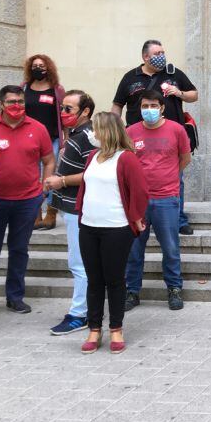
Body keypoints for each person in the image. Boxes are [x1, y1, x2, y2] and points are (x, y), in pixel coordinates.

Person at [0, 85, 54, 319]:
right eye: (11, 102)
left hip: (27, 201)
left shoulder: (38, 128)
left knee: (19, 250)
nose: (16, 106)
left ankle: (15, 297)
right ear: (0, 104)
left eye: (20, 102)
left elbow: (48, 160)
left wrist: (43, 187)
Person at [76, 113, 149, 355]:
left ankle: (116, 328)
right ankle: (94, 328)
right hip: (89, 225)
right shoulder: (92, 157)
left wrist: (137, 217)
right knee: (94, 280)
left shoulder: (126, 158)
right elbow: (85, 188)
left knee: (114, 279)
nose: (91, 134)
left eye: (94, 129)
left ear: (106, 131)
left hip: (116, 227)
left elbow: (140, 191)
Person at [112, 39, 198, 236]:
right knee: (136, 178)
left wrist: (180, 93)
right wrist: (115, 130)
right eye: (157, 53)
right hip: (137, 137)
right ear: (145, 57)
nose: (161, 56)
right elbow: (117, 105)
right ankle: (139, 215)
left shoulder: (173, 73)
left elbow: (194, 95)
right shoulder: (130, 78)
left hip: (170, 138)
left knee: (177, 178)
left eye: (162, 52)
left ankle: (178, 219)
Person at [124, 90, 191, 312]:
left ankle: (174, 289)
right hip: (138, 201)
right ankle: (131, 291)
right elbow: (126, 162)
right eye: (145, 106)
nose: (149, 110)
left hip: (167, 198)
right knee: (134, 248)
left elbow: (185, 158)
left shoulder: (176, 130)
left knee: (170, 247)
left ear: (162, 108)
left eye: (154, 106)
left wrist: (169, 177)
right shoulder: (131, 132)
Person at [43, 90, 97, 335]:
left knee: (79, 263)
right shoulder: (76, 134)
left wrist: (61, 181)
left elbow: (93, 173)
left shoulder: (89, 136)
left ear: (85, 112)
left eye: (68, 109)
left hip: (79, 208)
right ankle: (87, 309)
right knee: (80, 262)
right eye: (62, 108)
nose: (63, 113)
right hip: (71, 207)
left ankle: (79, 314)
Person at [23, 54, 65, 231]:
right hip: (29, 140)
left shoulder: (57, 90)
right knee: (32, 174)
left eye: (41, 65)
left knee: (50, 175)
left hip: (52, 139)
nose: (38, 68)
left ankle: (51, 213)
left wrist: (66, 139)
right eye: (35, 65)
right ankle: (35, 213)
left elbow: (64, 116)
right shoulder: (24, 88)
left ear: (48, 68)